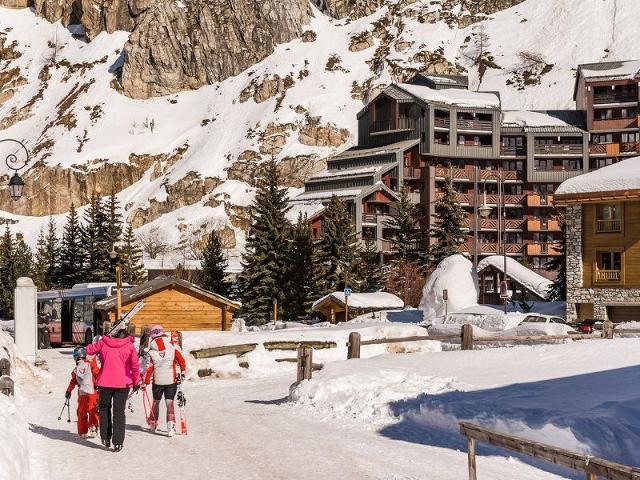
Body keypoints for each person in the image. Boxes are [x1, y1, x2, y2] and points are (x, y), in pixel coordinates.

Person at [85, 328, 140, 452]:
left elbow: (89, 350)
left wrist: (90, 342)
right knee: (119, 412)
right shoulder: (130, 346)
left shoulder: (104, 342)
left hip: (105, 382)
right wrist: (136, 382)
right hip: (123, 383)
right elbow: (135, 366)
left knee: (104, 409)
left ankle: (105, 438)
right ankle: (118, 443)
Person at [143, 325, 186, 437]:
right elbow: (181, 360)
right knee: (169, 403)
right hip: (171, 381)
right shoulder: (172, 347)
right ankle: (171, 427)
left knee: (156, 402)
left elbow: (149, 368)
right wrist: (183, 372)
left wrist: (145, 381)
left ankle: (153, 424)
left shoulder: (152, 351)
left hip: (158, 382)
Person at [65, 347, 99, 438]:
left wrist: (68, 391)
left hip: (82, 394)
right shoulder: (90, 364)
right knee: (93, 411)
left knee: (81, 412)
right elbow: (97, 374)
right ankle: (93, 427)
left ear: (75, 358)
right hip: (93, 393)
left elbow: (73, 381)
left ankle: (83, 432)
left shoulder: (75, 370)